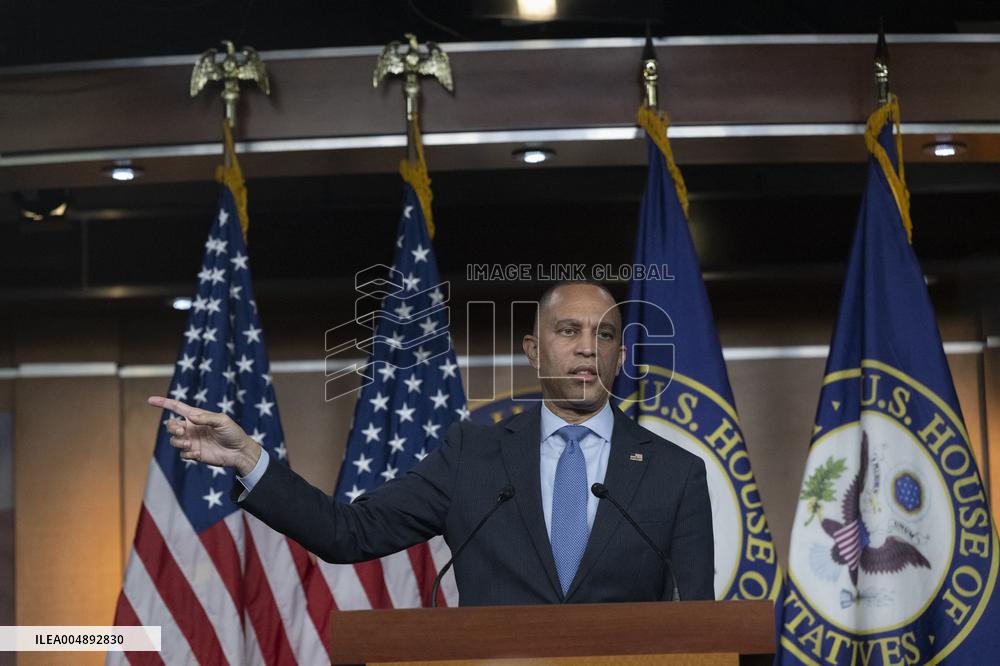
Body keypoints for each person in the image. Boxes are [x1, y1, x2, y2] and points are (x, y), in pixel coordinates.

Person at [152, 282, 714, 604]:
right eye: (569, 331)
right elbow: (349, 533)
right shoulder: (473, 456)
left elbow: (699, 621)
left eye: (606, 335)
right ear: (533, 351)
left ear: (620, 357)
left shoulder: (675, 473)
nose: (589, 348)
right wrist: (249, 457)